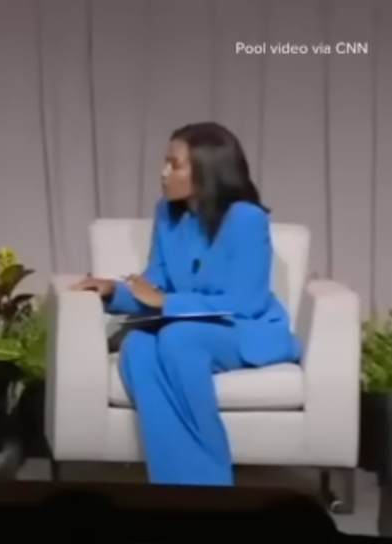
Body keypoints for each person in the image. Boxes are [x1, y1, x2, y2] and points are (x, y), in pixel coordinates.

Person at [71, 121, 300, 486]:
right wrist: (115, 292)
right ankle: (172, 490)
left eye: (174, 164)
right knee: (139, 348)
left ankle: (212, 489)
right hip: (186, 326)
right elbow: (154, 285)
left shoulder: (247, 219)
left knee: (180, 338)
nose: (163, 173)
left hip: (246, 329)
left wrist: (167, 302)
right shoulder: (167, 214)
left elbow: (246, 301)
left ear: (207, 169)